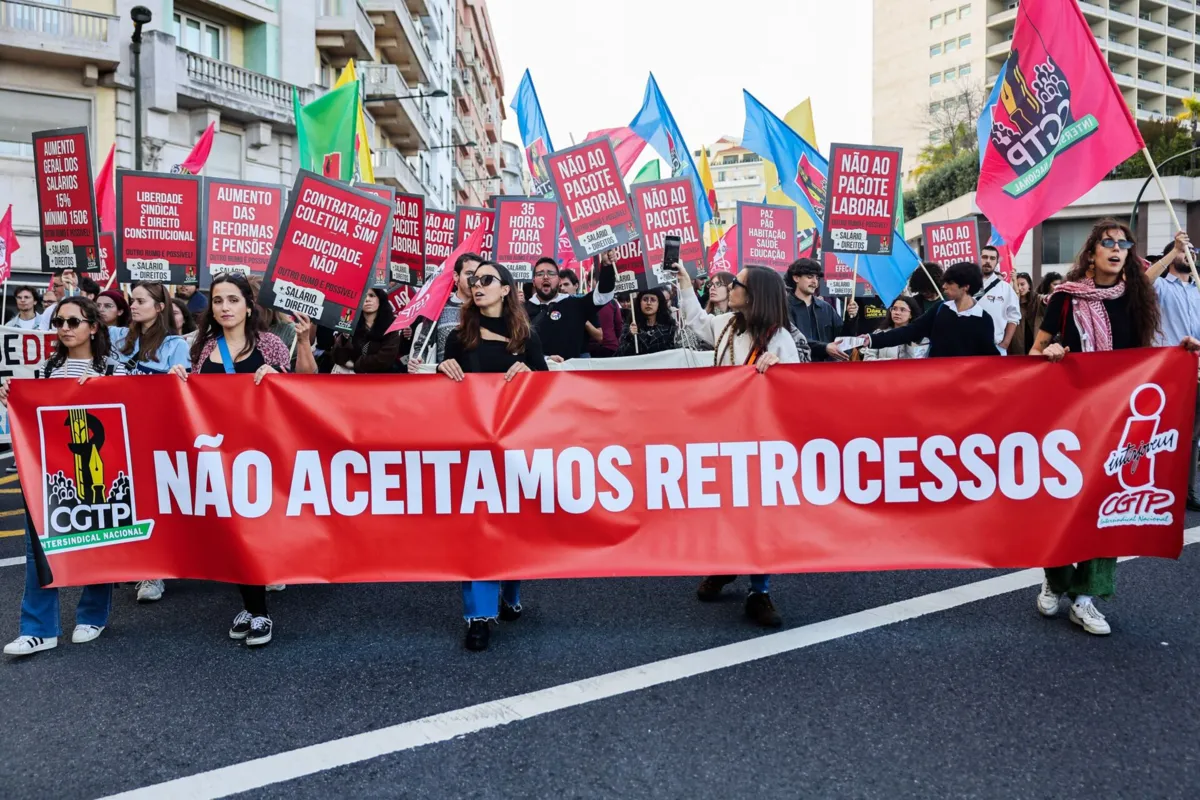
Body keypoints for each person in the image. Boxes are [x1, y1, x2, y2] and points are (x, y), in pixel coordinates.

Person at [1029, 218, 1197, 635]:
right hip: (1067, 419)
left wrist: (1182, 353)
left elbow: (1147, 356)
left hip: (1118, 419)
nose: (1117, 248)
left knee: (1106, 506)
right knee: (1063, 502)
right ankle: (1055, 578)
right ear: (1091, 253)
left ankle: (1086, 598)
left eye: (1125, 243)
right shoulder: (1064, 299)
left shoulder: (1136, 298)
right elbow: (1033, 351)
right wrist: (1049, 351)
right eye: (1108, 242)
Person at [169, 272, 292, 647]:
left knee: (251, 530)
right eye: (218, 300)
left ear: (248, 305)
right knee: (233, 530)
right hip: (221, 454)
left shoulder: (270, 344)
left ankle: (257, 611)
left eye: (233, 300)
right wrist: (179, 378)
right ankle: (254, 607)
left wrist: (278, 376)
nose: (224, 307)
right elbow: (195, 399)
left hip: (261, 453)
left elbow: (297, 394)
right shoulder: (204, 348)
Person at [1, 297, 126, 657]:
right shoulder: (42, 371)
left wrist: (105, 388)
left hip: (99, 468)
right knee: (38, 547)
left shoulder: (114, 370)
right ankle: (39, 629)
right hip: (50, 471)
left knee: (100, 539)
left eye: (73, 321)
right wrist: (11, 396)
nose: (65, 328)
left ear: (93, 326)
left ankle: (93, 615)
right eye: (59, 322)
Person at [677, 263, 799, 629]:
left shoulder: (780, 339)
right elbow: (698, 321)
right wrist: (684, 283)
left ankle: (758, 590)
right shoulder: (726, 325)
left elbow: (796, 392)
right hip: (723, 433)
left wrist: (781, 370)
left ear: (755, 294)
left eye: (737, 284)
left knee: (759, 514)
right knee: (723, 507)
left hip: (761, 441)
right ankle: (727, 564)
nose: (730, 287)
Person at [437, 261, 547, 651]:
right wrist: (441, 370)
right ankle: (478, 616)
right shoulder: (457, 338)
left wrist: (531, 377)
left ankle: (510, 595)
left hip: (517, 450)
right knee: (477, 532)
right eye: (473, 279)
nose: (477, 285)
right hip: (472, 450)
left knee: (514, 528)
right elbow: (443, 397)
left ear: (505, 289)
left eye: (486, 279)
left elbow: (547, 393)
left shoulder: (526, 337)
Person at [1143, 231, 1200, 510]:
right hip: (1167, 371)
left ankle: (1188, 491)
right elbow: (1143, 282)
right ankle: (1157, 487)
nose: (1189, 254)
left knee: (1192, 435)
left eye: (1192, 250)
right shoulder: (1162, 287)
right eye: (1183, 250)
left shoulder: (1199, 290)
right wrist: (1171, 252)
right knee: (1163, 430)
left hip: (1196, 371)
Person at [843, 262, 1000, 358]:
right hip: (936, 381)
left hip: (965, 388)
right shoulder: (941, 309)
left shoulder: (983, 319)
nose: (944, 286)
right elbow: (909, 332)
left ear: (966, 287)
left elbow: (989, 358)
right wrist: (871, 340)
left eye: (950, 283)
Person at [525, 254, 617, 362]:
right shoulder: (520, 311)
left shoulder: (576, 304)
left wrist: (607, 267)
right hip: (536, 376)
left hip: (570, 376)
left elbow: (602, 295)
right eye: (540, 274)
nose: (546, 277)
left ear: (559, 281)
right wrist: (546, 359)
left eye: (551, 273)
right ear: (534, 282)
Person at [407, 252, 483, 373]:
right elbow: (422, 344)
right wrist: (417, 362)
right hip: (445, 382)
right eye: (469, 273)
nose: (474, 280)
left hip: (478, 382)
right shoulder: (438, 306)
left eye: (478, 275)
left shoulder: (486, 306)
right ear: (456, 276)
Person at [110, 282, 192, 377]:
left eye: (140, 301)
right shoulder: (117, 334)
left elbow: (183, 387)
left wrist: (172, 378)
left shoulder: (176, 345)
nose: (132, 306)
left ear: (159, 307)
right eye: (132, 301)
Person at [785, 258, 853, 362]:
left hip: (826, 371)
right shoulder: (784, 306)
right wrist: (825, 348)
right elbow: (791, 340)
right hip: (798, 370)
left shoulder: (826, 307)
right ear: (796, 278)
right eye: (810, 277)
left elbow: (842, 337)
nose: (815, 282)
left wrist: (851, 317)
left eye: (817, 278)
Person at [328, 288, 401, 373]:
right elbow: (338, 358)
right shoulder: (350, 322)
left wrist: (357, 365)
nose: (367, 299)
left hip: (377, 381)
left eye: (372, 295)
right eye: (363, 295)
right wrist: (344, 338)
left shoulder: (391, 326)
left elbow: (385, 359)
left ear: (380, 299)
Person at [976, 245, 1021, 354]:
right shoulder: (968, 285)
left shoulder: (1005, 288)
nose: (988, 261)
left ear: (996, 262)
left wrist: (1005, 343)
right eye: (984, 257)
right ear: (979, 258)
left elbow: (1013, 317)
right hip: (969, 346)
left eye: (992, 258)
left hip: (996, 346)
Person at [615, 288, 679, 356]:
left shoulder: (669, 326)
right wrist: (630, 336)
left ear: (659, 303)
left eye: (653, 300)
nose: (648, 303)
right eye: (645, 299)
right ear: (640, 303)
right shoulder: (630, 326)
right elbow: (620, 354)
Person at [861, 297, 928, 360]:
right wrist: (889, 362)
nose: (897, 313)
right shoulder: (879, 332)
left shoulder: (920, 337)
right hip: (883, 371)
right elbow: (867, 359)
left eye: (902, 310)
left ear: (911, 314)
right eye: (894, 309)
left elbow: (920, 359)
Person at [1014, 272, 1036, 355]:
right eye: (1017, 285)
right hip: (1017, 345)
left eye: (1022, 284)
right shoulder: (1012, 302)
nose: (1019, 288)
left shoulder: (1037, 300)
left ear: (1029, 285)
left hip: (1034, 342)